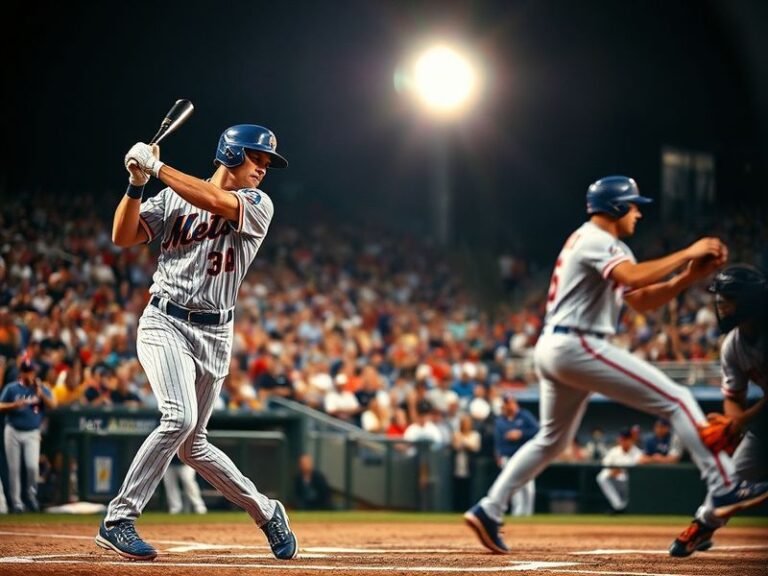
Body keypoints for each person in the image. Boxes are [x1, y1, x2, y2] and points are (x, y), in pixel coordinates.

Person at [463, 176, 768, 554]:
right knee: (676, 398)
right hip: (577, 343)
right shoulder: (596, 239)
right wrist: (688, 252)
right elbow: (632, 276)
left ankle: (489, 508)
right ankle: (723, 487)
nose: (639, 212)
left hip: (558, 346)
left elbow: (640, 299)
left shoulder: (600, 244)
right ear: (618, 207)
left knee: (551, 439)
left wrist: (689, 277)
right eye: (634, 205)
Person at [95, 125, 297, 561]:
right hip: (164, 321)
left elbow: (213, 201)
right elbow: (123, 236)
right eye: (255, 158)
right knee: (178, 418)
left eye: (266, 163)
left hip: (216, 332)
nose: (262, 169)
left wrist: (157, 166)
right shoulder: (170, 197)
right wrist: (136, 183)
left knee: (194, 445)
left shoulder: (258, 203)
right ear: (230, 153)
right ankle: (119, 518)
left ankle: (266, 511)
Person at [670, 264, 768, 557]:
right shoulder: (732, 346)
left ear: (750, 299)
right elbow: (734, 397)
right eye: (719, 297)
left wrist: (741, 422)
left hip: (761, 417)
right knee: (729, 482)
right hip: (764, 423)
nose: (720, 303)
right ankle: (704, 525)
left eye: (729, 296)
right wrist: (731, 422)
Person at [0, 355, 57, 512]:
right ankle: (17, 502)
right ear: (21, 372)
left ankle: (31, 497)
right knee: (14, 469)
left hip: (32, 432)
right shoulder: (12, 388)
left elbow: (53, 404)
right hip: (13, 431)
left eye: (31, 371)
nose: (28, 374)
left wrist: (41, 393)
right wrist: (13, 405)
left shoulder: (40, 388)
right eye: (26, 371)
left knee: (32, 467)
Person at [493, 393, 539, 516]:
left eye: (511, 403)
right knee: (515, 491)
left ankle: (527, 517)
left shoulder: (524, 415)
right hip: (509, 457)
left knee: (529, 490)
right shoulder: (500, 421)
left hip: (525, 457)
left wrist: (520, 433)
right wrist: (499, 455)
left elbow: (537, 430)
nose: (509, 406)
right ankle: (517, 518)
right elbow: (498, 440)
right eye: (506, 403)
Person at [596, 428, 642, 514]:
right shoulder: (614, 450)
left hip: (630, 481)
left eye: (626, 439)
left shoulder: (637, 452)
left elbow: (637, 468)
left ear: (631, 440)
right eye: (622, 439)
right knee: (601, 477)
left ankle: (627, 506)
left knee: (628, 478)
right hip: (615, 480)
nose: (623, 441)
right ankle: (619, 507)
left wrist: (621, 470)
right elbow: (605, 463)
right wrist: (612, 470)